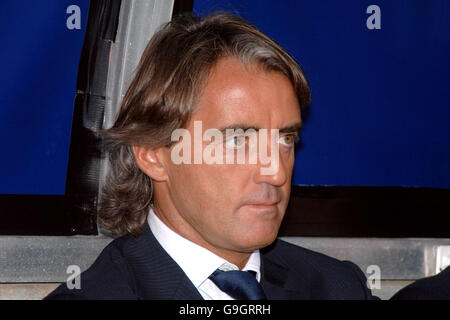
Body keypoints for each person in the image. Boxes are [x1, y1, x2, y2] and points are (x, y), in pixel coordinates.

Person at [45, 12, 377, 300]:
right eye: (237, 139)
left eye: (286, 139)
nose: (275, 172)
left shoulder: (337, 287)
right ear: (151, 153)